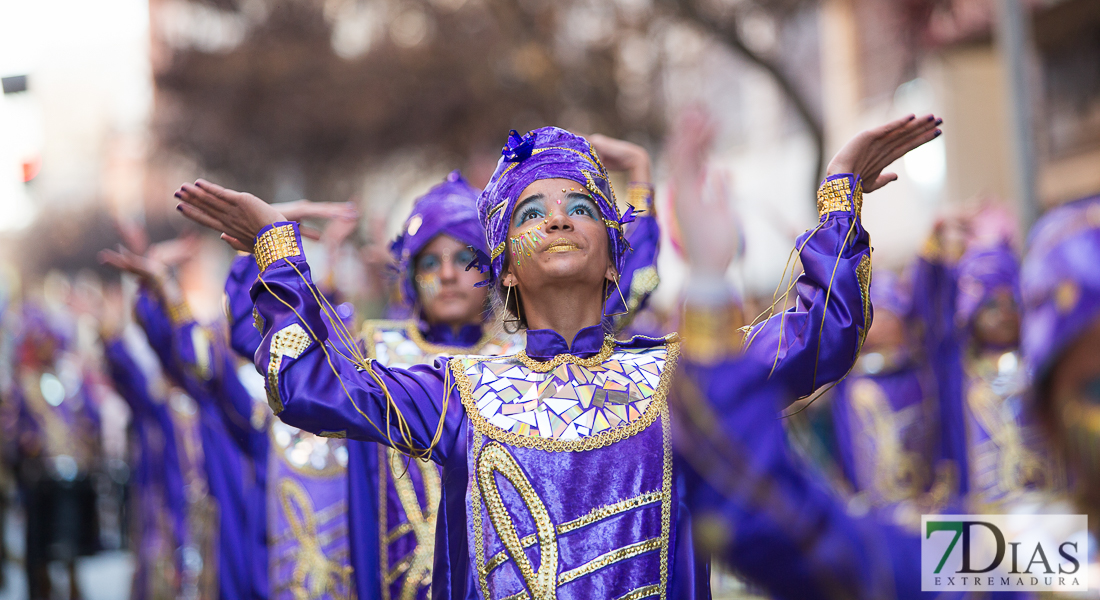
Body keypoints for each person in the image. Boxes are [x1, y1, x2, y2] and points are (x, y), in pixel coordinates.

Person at [173, 112, 937, 598]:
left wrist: (840, 196)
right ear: (504, 266)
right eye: (533, 212)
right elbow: (314, 384)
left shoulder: (676, 380)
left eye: (580, 208)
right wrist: (277, 247)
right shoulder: (457, 392)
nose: (559, 221)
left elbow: (817, 334)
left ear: (615, 258)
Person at [101, 235, 270, 600]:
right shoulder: (212, 398)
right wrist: (159, 285)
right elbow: (173, 345)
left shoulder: (274, 397)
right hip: (201, 535)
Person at [912, 207, 1062, 508]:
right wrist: (934, 244)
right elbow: (931, 311)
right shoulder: (958, 370)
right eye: (991, 305)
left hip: (1051, 509)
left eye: (1012, 304)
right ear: (971, 313)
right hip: (984, 518)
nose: (1004, 314)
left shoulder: (1040, 360)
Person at [828, 271, 961, 526]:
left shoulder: (921, 371)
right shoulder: (849, 381)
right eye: (874, 316)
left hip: (930, 500)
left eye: (887, 315)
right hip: (876, 510)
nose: (879, 325)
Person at [4, 302, 103, 600]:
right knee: (40, 551)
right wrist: (25, 441)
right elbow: (12, 430)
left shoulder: (71, 380)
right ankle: (42, 588)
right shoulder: (23, 385)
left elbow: (91, 416)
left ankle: (73, 585)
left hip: (72, 477)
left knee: (73, 546)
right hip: (39, 480)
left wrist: (89, 436)